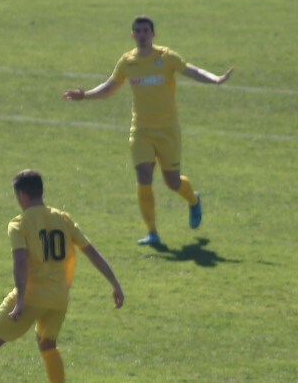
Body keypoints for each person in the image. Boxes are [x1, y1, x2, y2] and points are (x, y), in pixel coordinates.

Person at [0, 170, 124, 383]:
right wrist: (115, 283)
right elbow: (91, 252)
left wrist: (21, 299)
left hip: (32, 296)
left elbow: (21, 262)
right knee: (47, 345)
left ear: (21, 195)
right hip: (59, 298)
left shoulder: (19, 224)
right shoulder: (63, 219)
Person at [63, 15, 233, 247]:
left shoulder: (166, 57)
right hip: (141, 131)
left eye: (146, 31)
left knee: (172, 182)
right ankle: (152, 233)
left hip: (168, 131)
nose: (142, 35)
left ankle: (193, 200)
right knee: (144, 178)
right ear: (133, 35)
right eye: (138, 31)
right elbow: (111, 86)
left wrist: (215, 79)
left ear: (154, 34)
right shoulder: (128, 62)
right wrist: (86, 96)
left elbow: (190, 70)